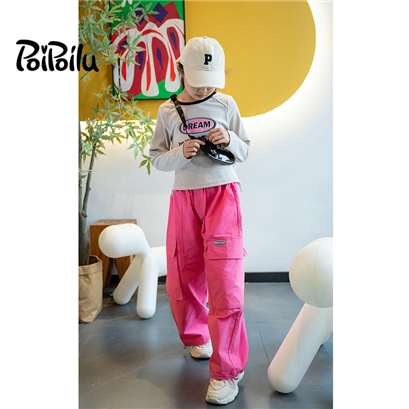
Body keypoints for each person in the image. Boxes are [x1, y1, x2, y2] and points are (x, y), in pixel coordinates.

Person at [149, 36, 250, 405]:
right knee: (183, 274)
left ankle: (227, 371)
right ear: (180, 70)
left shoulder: (226, 104)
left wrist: (230, 139)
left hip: (222, 195)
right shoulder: (167, 111)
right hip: (184, 198)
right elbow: (156, 158)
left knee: (225, 279)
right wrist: (180, 152)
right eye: (197, 80)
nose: (205, 87)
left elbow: (245, 150)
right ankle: (198, 336)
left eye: (210, 80)